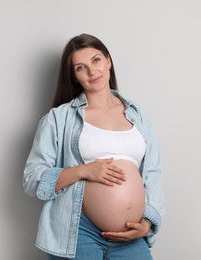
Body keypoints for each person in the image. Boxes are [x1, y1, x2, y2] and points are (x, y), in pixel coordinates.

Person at [23, 33, 165, 259]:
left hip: (131, 235)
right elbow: (32, 178)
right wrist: (84, 171)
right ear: (74, 76)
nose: (92, 71)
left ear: (108, 61)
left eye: (96, 60)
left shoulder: (138, 115)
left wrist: (147, 222)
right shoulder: (59, 119)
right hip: (78, 231)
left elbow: (153, 173)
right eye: (81, 67)